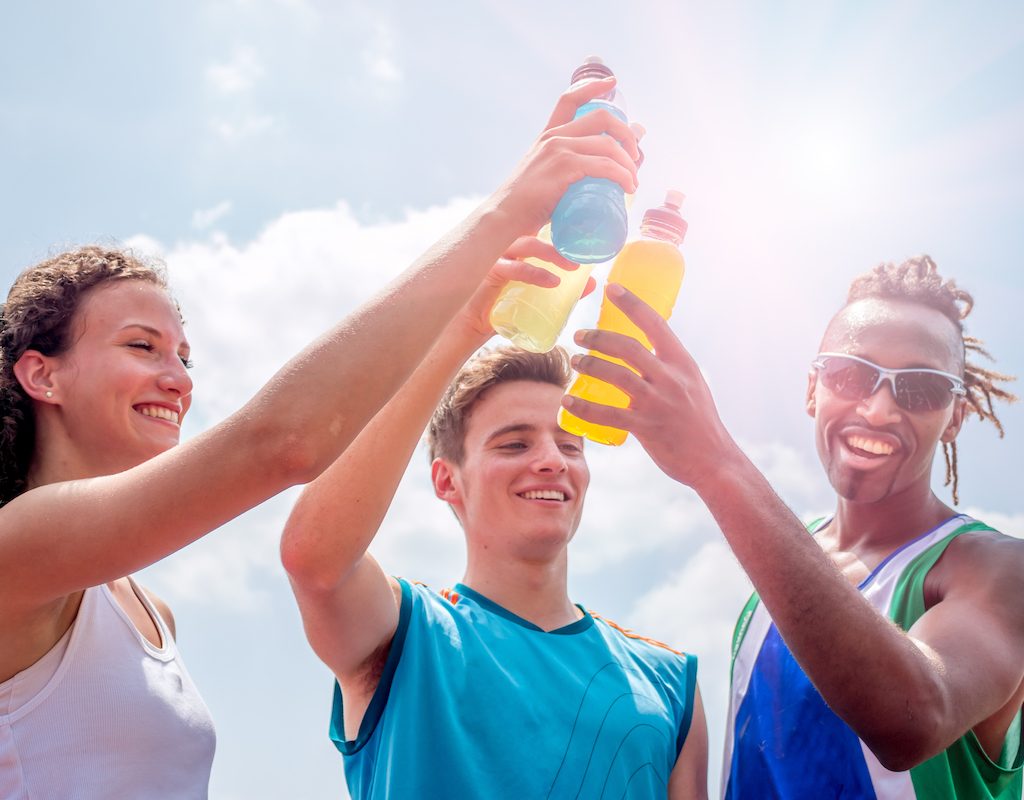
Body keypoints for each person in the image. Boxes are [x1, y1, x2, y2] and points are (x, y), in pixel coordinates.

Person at [0, 74, 640, 799]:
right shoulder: (18, 550)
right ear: (40, 375)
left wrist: (468, 321)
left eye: (184, 356)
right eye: (142, 347)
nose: (177, 378)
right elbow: (285, 442)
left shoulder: (146, 610)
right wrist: (503, 212)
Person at [563, 255, 1022, 799]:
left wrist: (717, 465)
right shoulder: (780, 570)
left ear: (955, 418)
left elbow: (913, 720)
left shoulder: (995, 568)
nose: (877, 410)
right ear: (812, 389)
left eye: (920, 388)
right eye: (852, 374)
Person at [280, 221, 708, 795]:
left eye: (569, 445)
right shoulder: (404, 633)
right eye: (514, 443)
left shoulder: (671, 682)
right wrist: (463, 329)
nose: (552, 461)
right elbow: (314, 559)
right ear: (446, 480)